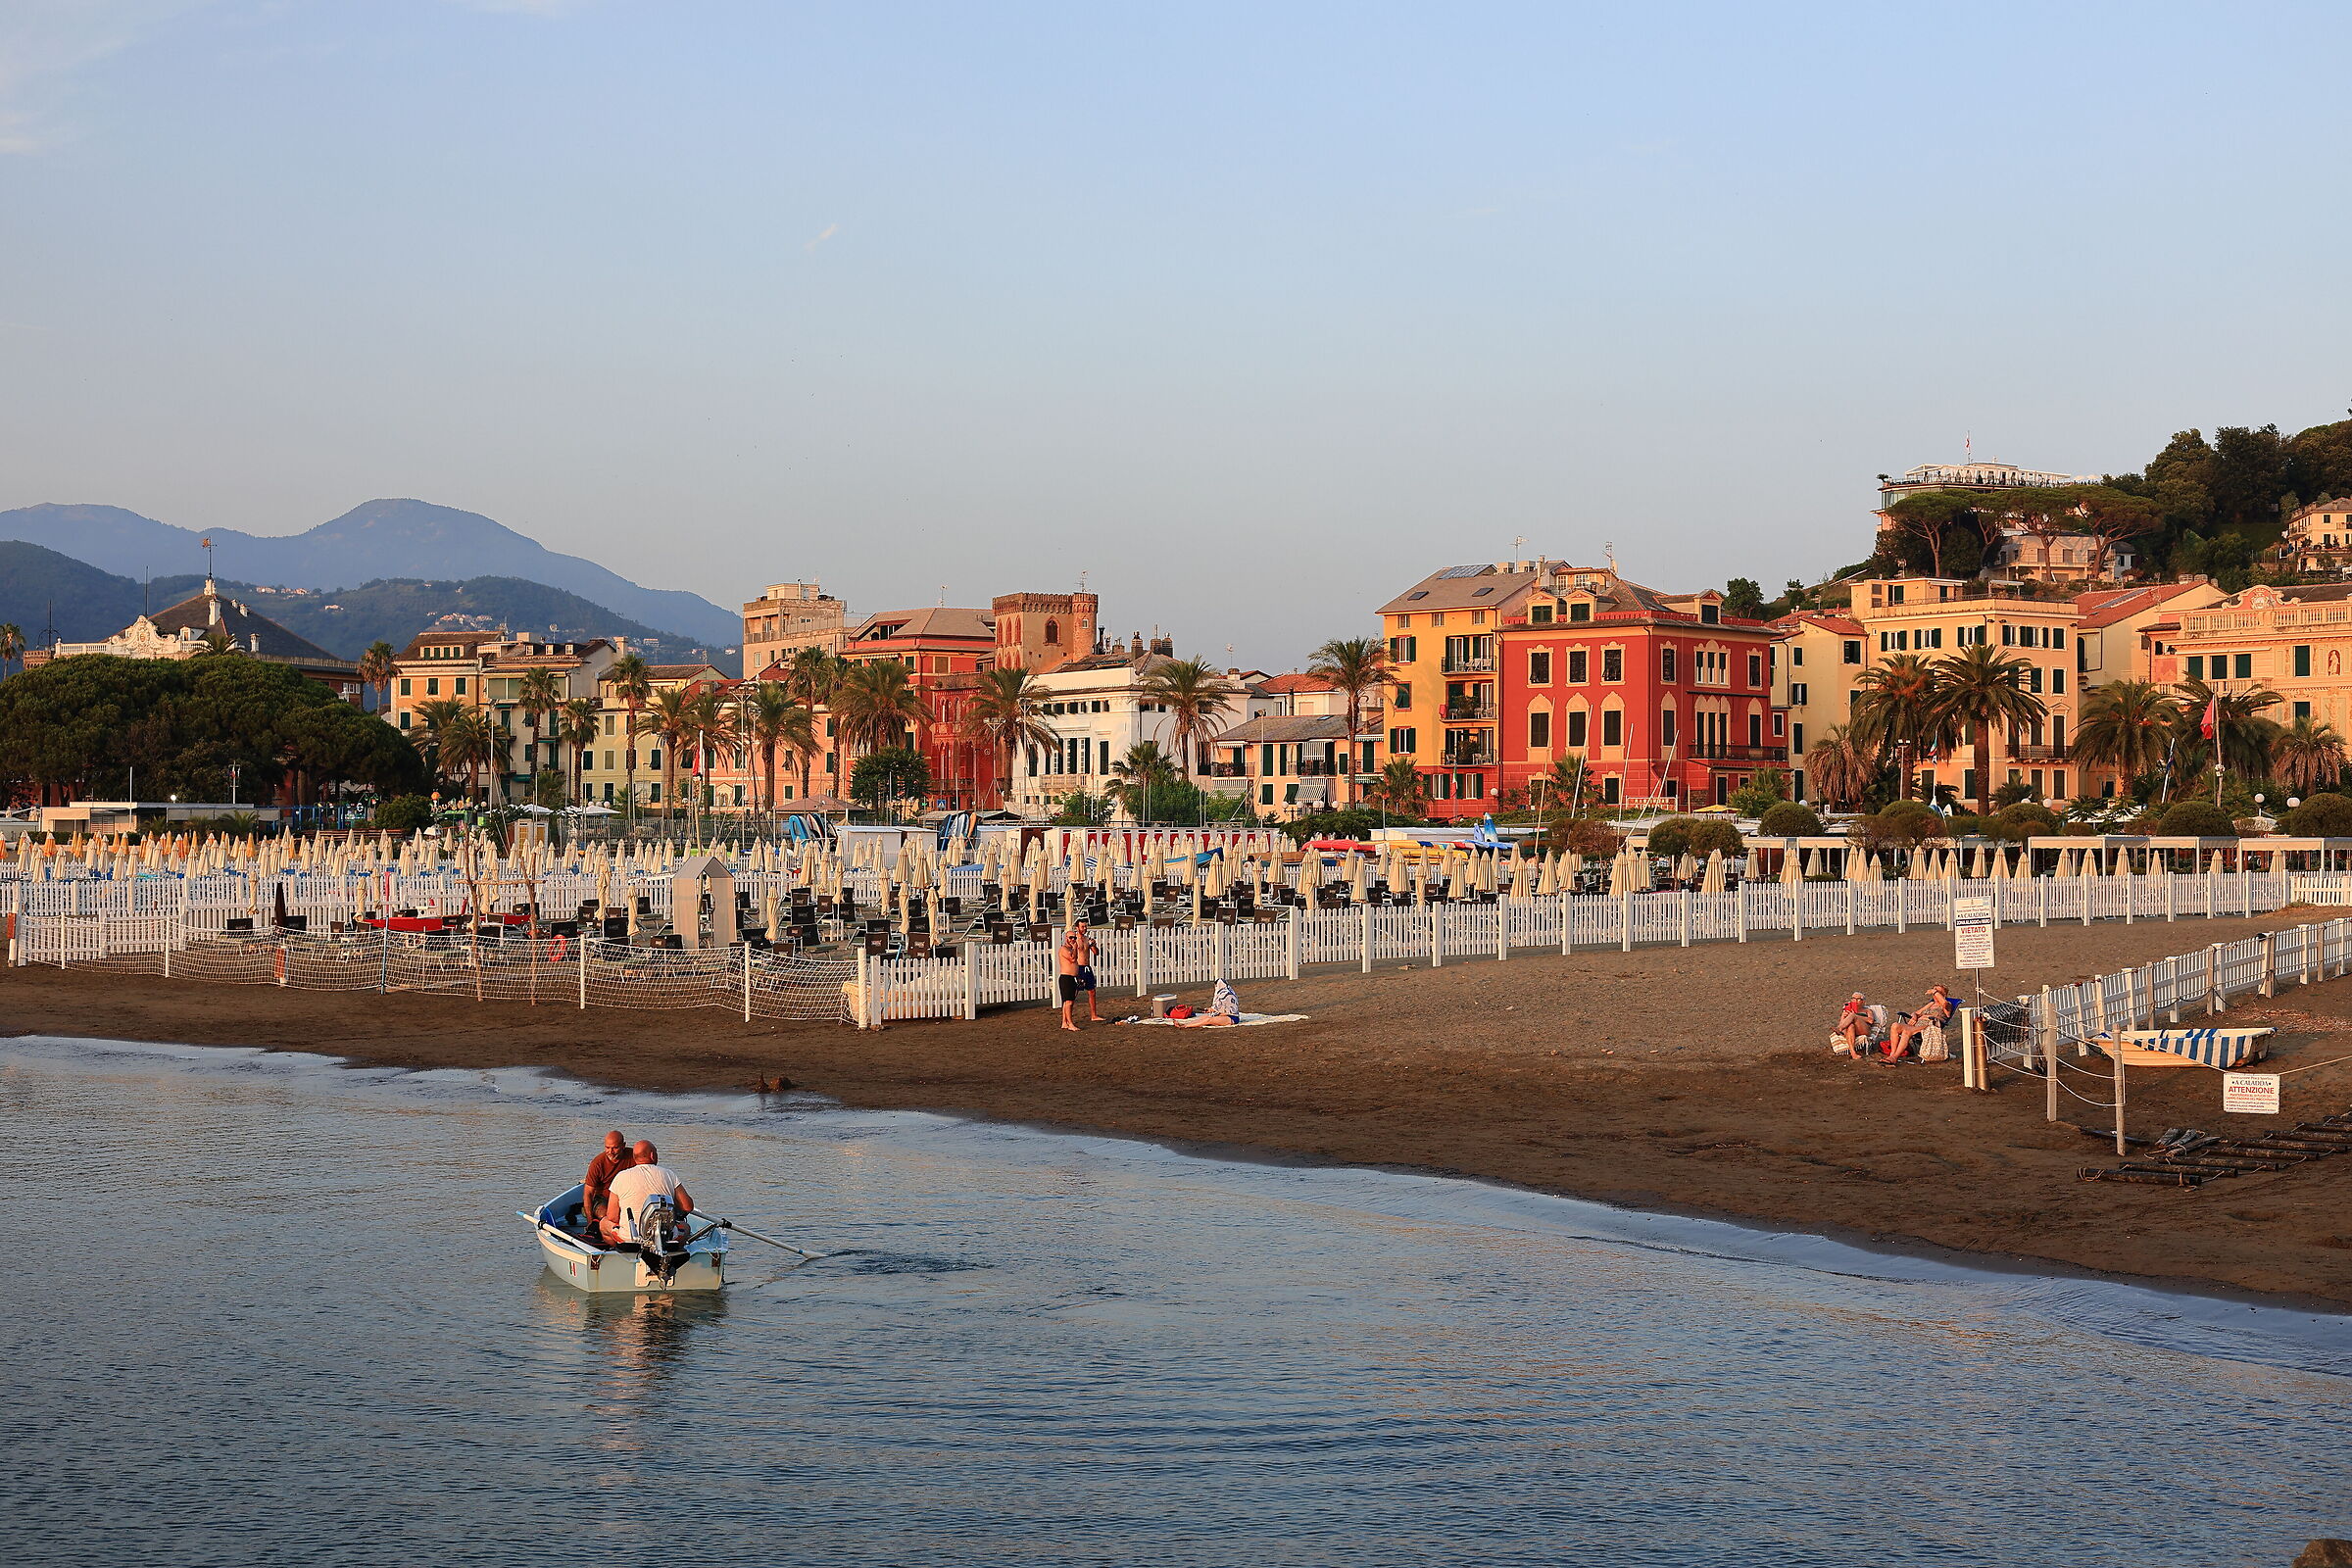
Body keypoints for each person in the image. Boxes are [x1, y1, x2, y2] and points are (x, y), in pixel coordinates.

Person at [603, 1140, 695, 1248]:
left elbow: (612, 1216)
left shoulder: (620, 1176)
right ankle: (674, 1251)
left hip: (629, 1238)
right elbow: (688, 1207)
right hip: (665, 1237)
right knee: (686, 1227)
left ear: (634, 1157)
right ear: (652, 1155)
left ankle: (621, 1251)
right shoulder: (668, 1174)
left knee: (604, 1223)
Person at [580, 1130, 634, 1233]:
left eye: (615, 1148)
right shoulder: (597, 1163)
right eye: (607, 1148)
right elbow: (588, 1193)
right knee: (606, 1214)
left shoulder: (633, 1156)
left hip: (626, 1196)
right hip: (603, 1198)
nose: (611, 1152)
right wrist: (589, 1222)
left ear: (623, 1145)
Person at [1885, 985, 1955, 1062]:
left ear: (1944, 995)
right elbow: (1915, 1013)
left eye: (1937, 992)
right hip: (1916, 1025)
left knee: (1907, 1032)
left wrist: (1935, 992)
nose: (1934, 994)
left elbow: (1944, 1003)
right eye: (1934, 991)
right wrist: (1915, 1016)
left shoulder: (1947, 1005)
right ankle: (1892, 1054)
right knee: (1895, 1025)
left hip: (1929, 1026)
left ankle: (1894, 1058)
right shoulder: (1931, 1004)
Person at [1058, 923, 1101, 1031]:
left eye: (1086, 926)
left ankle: (1094, 1015)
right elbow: (1072, 958)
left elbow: (1096, 953)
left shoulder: (1087, 939)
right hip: (1078, 969)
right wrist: (1075, 945)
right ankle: (1065, 1021)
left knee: (1092, 991)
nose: (1085, 928)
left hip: (1087, 967)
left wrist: (1093, 945)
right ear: (1077, 928)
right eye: (1082, 926)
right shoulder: (1072, 942)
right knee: (1071, 997)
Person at [1832, 993, 1887, 1058]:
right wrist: (1843, 1016)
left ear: (1863, 1001)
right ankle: (1853, 1053)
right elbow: (1842, 1023)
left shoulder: (1867, 1010)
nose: (1855, 1001)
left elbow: (1871, 1020)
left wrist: (1856, 1016)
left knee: (1852, 1016)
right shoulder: (1847, 1011)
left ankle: (1839, 1029)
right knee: (1851, 1026)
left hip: (1863, 1029)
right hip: (1849, 1030)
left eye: (1858, 999)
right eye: (1853, 999)